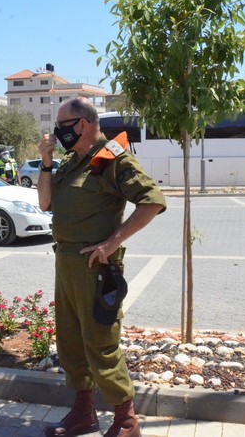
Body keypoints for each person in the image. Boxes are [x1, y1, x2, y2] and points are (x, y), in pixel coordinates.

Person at [37, 97, 166, 437]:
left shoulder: (111, 158)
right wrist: (46, 161)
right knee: (71, 342)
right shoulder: (72, 162)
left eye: (61, 126)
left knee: (100, 343)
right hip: (66, 263)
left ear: (82, 124)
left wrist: (113, 242)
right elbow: (45, 202)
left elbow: (152, 200)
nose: (56, 133)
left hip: (95, 267)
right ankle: (83, 413)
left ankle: (126, 421)